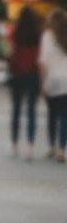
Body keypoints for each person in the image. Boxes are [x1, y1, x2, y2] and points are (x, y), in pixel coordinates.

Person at [8, 6, 41, 160]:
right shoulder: (38, 35)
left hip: (17, 75)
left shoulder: (15, 33)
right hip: (33, 75)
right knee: (31, 111)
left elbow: (10, 52)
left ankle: (15, 145)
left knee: (16, 111)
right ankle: (30, 146)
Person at [38, 9, 67, 163]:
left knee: (52, 115)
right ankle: (62, 149)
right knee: (64, 116)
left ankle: (52, 146)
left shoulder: (47, 36)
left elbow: (43, 62)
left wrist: (42, 83)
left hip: (52, 80)